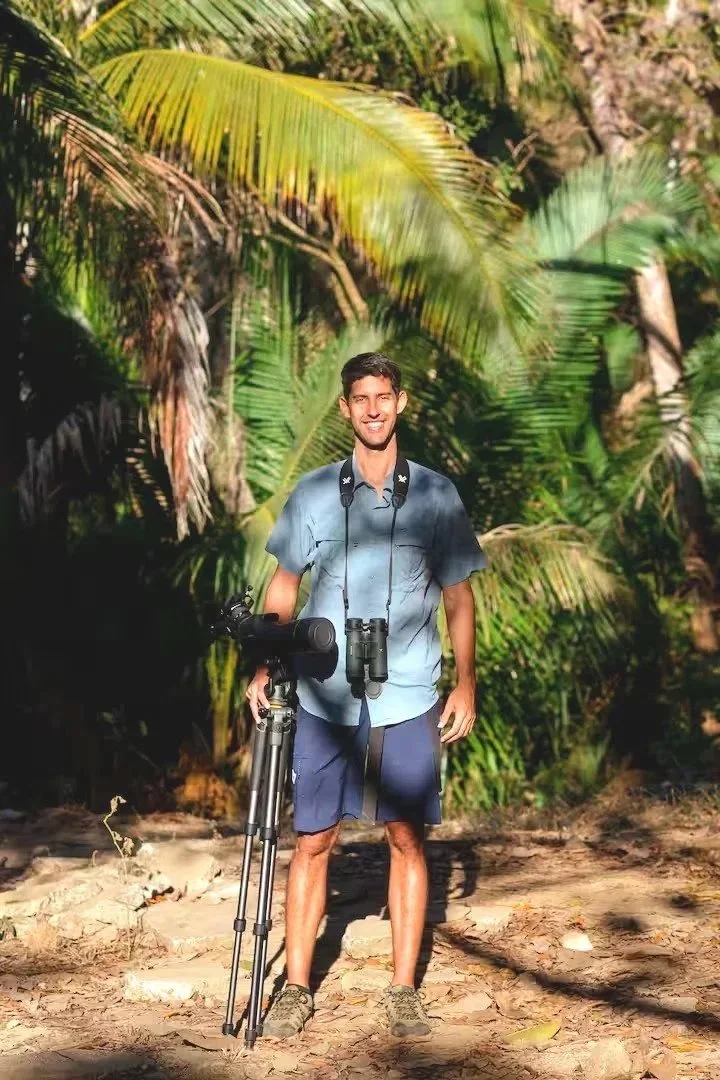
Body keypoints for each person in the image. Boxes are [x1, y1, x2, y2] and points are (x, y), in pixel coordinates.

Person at [246, 351, 486, 1039]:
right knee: (313, 838)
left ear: (401, 402)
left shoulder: (437, 495)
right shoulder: (316, 493)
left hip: (408, 693)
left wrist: (465, 682)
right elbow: (284, 586)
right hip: (324, 695)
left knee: (406, 837)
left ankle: (403, 989)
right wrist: (267, 664)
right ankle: (296, 986)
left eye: (385, 396)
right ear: (346, 409)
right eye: (361, 398)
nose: (374, 408)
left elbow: (459, 598)